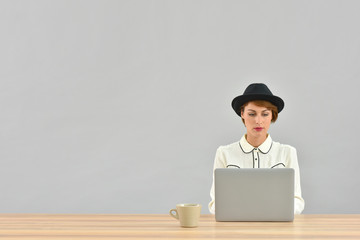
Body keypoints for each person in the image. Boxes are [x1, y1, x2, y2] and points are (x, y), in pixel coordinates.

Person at [208, 83, 305, 214]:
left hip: (276, 229)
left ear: (272, 115)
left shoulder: (287, 152)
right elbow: (215, 204)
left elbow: (297, 201)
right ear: (242, 114)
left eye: (265, 114)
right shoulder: (224, 153)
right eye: (252, 114)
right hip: (236, 229)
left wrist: (269, 212)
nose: (258, 121)